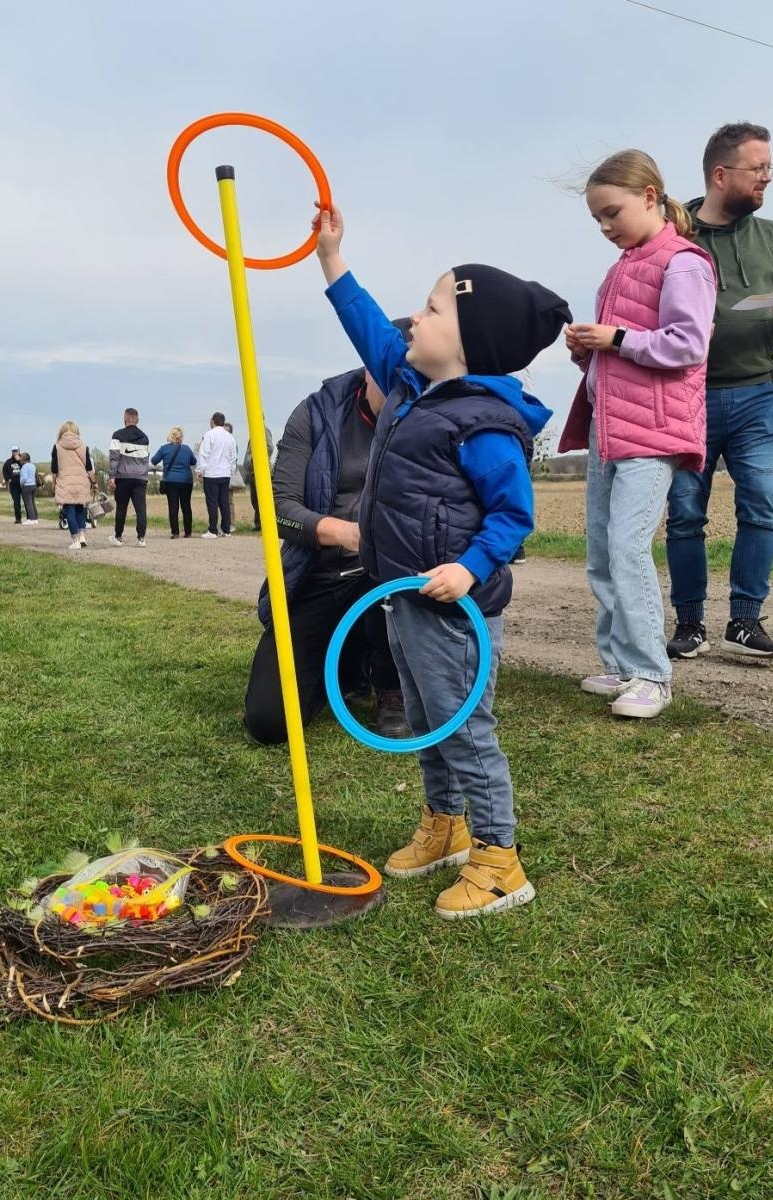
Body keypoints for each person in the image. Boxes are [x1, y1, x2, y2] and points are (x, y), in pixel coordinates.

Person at [315, 203, 571, 919]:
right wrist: (333, 259)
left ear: (467, 346)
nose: (412, 322)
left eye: (429, 310)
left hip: (453, 607)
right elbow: (368, 327)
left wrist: (469, 568)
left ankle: (498, 860)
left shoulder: (486, 424)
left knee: (465, 729)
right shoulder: (410, 383)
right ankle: (445, 825)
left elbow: (513, 517)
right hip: (400, 594)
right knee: (429, 720)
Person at [559, 150, 716, 719]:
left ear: (650, 195)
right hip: (611, 428)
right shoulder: (622, 267)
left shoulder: (685, 263)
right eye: (597, 219)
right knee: (602, 550)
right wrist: (588, 355)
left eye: (612, 212)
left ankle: (653, 674)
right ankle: (623, 665)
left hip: (653, 432)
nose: (605, 227)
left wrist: (616, 337)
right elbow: (621, 355)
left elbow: (688, 343)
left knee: (627, 546)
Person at [665, 123, 773, 661]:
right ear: (721, 174)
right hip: (688, 398)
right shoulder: (673, 234)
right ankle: (690, 625)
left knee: (761, 508)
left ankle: (745, 621)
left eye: (770, 168)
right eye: (758, 169)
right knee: (684, 514)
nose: (766, 179)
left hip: (758, 397)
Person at [244, 362, 410, 745]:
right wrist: (346, 534)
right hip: (319, 577)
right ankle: (342, 668)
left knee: (393, 585)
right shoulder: (314, 414)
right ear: (369, 369)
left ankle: (391, 685)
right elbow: (279, 509)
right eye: (391, 378)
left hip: (387, 576)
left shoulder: (424, 416)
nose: (403, 393)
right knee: (270, 722)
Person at [108, 407, 150, 547]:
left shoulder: (117, 435)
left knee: (121, 507)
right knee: (141, 508)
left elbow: (114, 457)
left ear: (124, 419)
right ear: (137, 420)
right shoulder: (145, 438)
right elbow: (145, 459)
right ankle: (141, 538)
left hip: (123, 477)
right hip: (140, 478)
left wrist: (112, 476)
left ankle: (118, 537)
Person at [52, 421, 96, 550]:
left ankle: (75, 540)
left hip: (65, 482)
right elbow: (89, 467)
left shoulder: (57, 447)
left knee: (69, 510)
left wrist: (54, 483)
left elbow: (54, 468)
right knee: (80, 510)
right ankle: (82, 536)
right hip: (82, 482)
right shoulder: (84, 447)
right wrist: (94, 482)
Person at [196, 412, 237, 538]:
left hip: (211, 473)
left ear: (213, 421)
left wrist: (199, 471)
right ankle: (226, 529)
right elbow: (233, 456)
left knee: (212, 502)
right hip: (225, 474)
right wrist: (231, 470)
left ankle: (212, 530)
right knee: (224, 502)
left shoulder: (209, 435)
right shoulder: (230, 437)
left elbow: (203, 454)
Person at [151, 427, 196, 538]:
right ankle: (188, 532)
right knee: (186, 506)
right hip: (186, 481)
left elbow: (154, 460)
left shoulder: (164, 448)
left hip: (171, 481)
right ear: (180, 437)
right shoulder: (186, 449)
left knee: (173, 507)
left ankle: (175, 533)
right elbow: (193, 462)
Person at [242, 425, 274, 531]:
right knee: (255, 500)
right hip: (252, 471)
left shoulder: (264, 430)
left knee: (263, 499)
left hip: (261, 471)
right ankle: (258, 524)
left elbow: (270, 448)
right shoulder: (254, 431)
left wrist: (255, 457)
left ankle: (267, 525)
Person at [2, 446, 23, 523]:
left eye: (16, 451)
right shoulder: (8, 462)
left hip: (23, 484)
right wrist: (9, 479)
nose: (15, 453)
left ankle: (30, 518)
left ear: (19, 451)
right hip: (14, 485)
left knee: (26, 501)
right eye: (13, 451)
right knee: (16, 501)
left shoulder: (23, 461)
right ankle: (18, 518)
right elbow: (5, 472)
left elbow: (26, 468)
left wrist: (19, 461)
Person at [19, 452, 40, 523]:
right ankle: (35, 518)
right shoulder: (33, 465)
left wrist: (21, 484)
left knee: (28, 503)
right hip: (33, 485)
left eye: (21, 457)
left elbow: (24, 478)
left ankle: (31, 519)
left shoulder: (24, 467)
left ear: (23, 459)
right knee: (32, 502)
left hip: (27, 486)